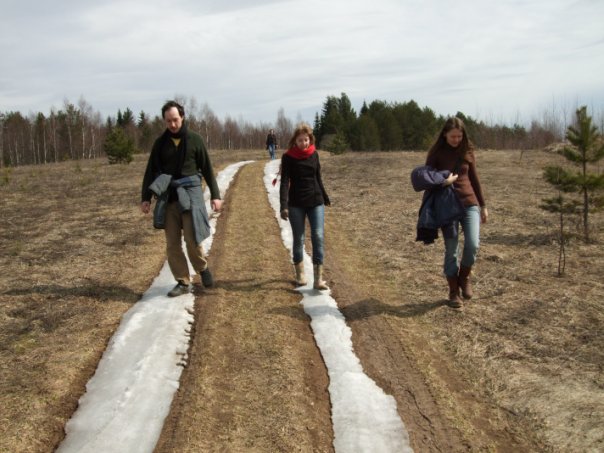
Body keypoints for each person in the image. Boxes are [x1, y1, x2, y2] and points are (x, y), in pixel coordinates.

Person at [140, 100, 222, 297]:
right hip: (169, 198)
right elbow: (151, 171)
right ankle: (183, 281)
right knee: (172, 244)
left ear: (182, 117)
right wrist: (146, 198)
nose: (172, 124)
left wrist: (216, 195)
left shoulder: (195, 139)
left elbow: (207, 169)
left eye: (175, 120)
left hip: (191, 196)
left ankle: (202, 268)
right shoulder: (160, 144)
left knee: (193, 239)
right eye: (168, 121)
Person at [425, 117, 488, 308]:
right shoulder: (436, 153)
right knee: (452, 249)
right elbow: (426, 177)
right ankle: (453, 291)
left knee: (473, 244)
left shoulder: (467, 150)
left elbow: (474, 178)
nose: (456, 140)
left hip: (469, 203)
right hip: (447, 206)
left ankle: (464, 277)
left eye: (460, 136)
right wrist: (443, 182)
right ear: (445, 135)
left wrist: (483, 205)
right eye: (453, 136)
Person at [279, 123, 330, 290]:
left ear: (310, 139)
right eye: (300, 140)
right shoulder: (288, 157)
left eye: (306, 140)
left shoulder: (314, 154)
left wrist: (324, 195)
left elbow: (318, 177)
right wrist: (283, 205)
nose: (304, 143)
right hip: (296, 203)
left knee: (318, 236)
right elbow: (285, 181)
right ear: (295, 141)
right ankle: (301, 275)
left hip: (316, 200)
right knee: (299, 238)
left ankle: (318, 279)